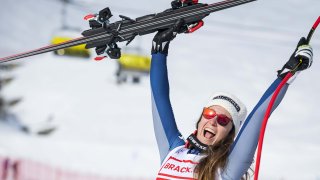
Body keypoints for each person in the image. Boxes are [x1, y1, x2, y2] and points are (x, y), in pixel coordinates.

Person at [149, 20, 313, 180]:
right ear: (200, 120)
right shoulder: (174, 150)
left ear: (229, 134)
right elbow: (159, 98)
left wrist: (287, 74)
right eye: (209, 113)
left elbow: (258, 116)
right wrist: (159, 49)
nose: (213, 121)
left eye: (223, 120)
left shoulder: (227, 168)